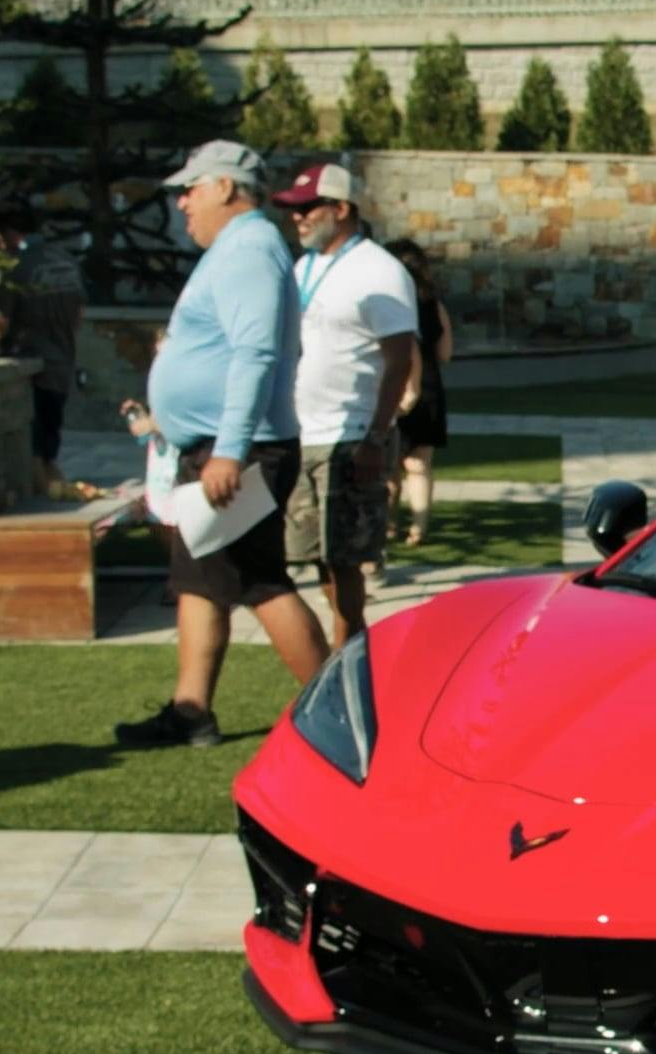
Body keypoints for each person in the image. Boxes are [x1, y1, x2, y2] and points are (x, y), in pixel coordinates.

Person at [117, 139, 328, 748]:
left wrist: (229, 451)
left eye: (193, 187)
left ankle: (332, 714)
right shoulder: (239, 249)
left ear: (228, 189)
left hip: (238, 450)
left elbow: (255, 353)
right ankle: (191, 711)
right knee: (200, 578)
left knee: (259, 580)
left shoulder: (250, 249)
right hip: (220, 447)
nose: (183, 202)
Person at [271, 161, 417, 642]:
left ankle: (350, 646)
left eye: (309, 208)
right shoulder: (303, 266)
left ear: (341, 208)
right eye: (294, 211)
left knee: (347, 558)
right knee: (311, 556)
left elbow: (399, 361)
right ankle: (339, 649)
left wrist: (377, 436)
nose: (299, 218)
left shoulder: (380, 271)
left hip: (351, 436)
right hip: (301, 433)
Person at [0, 197, 89, 493]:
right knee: (50, 438)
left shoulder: (15, 267)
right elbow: (78, 315)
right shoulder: (65, 260)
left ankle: (46, 503)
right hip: (62, 361)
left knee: (33, 449)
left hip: (30, 367)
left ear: (9, 233)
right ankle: (54, 486)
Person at [391, 241, 454, 556]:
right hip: (429, 386)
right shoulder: (433, 305)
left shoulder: (388, 304)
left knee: (388, 464)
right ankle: (418, 527)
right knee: (420, 463)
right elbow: (445, 353)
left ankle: (388, 524)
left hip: (393, 385)